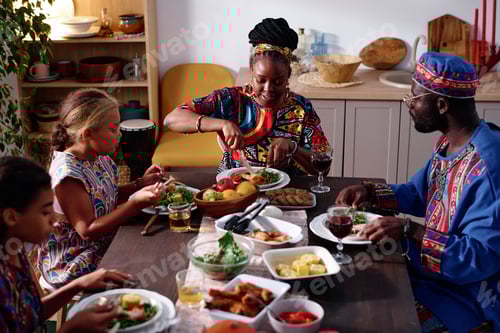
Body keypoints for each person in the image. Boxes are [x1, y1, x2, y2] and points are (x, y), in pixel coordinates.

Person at [336, 52, 499, 332]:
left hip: (466, 298)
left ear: (441, 104)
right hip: (429, 274)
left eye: (414, 98)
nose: (408, 105)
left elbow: (478, 259)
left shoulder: (489, 166)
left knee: (369, 320)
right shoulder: (450, 143)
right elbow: (419, 193)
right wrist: (370, 192)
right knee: (346, 288)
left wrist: (410, 230)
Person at [163, 17, 330, 175]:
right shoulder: (230, 99)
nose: (268, 89)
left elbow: (323, 167)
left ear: (288, 74)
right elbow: (171, 120)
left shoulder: (301, 108)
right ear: (251, 72)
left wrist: (293, 148)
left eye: (278, 81)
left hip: (288, 192)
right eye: (261, 80)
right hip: (234, 189)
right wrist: (222, 124)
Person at [38, 88, 164, 289]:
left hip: (104, 241)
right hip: (75, 261)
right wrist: (134, 204)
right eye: (113, 129)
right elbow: (88, 231)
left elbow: (106, 194)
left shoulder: (98, 157)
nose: (119, 135)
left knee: (158, 245)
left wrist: (140, 184)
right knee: (150, 265)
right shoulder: (68, 177)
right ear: (88, 134)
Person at [0, 156, 135, 333]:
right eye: (46, 211)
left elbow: (32, 314)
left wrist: (80, 284)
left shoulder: (14, 251)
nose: (55, 220)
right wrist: (70, 327)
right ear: (11, 217)